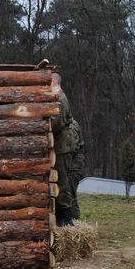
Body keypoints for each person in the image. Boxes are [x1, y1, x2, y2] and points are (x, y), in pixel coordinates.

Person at [51, 89, 85, 227]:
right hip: (72, 160)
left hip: (73, 163)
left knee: (66, 189)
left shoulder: (71, 127)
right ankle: (71, 219)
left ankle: (70, 219)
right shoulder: (72, 124)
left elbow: (75, 148)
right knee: (67, 190)